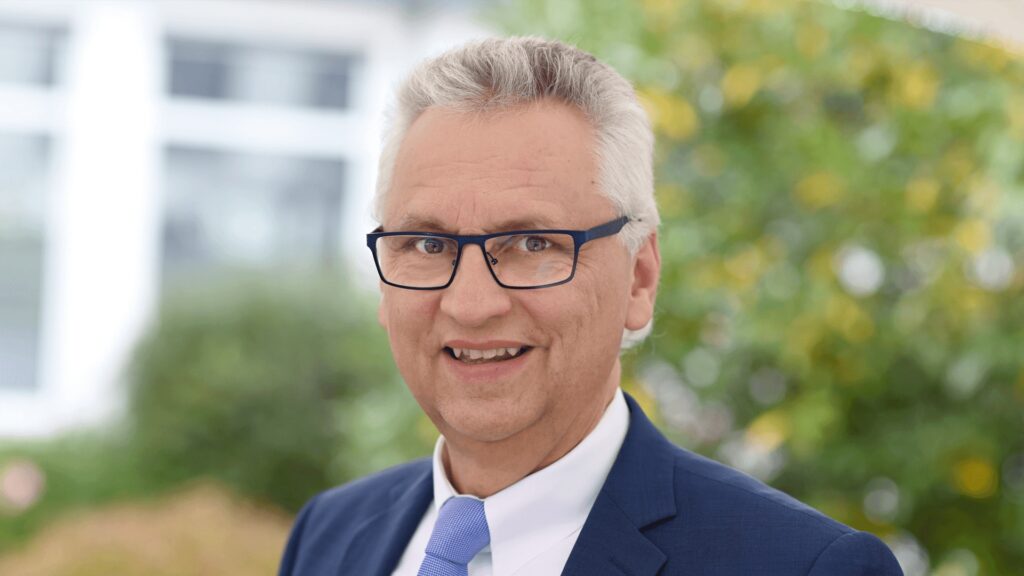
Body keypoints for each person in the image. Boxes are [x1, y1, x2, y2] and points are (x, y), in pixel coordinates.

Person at [278, 36, 903, 576]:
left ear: (639, 280)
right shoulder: (330, 535)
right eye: (428, 244)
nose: (470, 305)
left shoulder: (802, 565)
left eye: (532, 244)